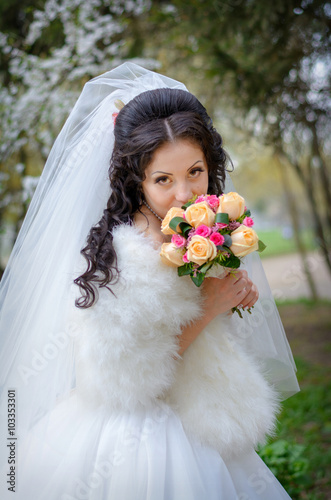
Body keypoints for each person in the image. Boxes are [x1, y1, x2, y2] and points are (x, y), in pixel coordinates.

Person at [0, 63, 299, 499]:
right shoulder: (122, 255)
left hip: (201, 410)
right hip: (141, 437)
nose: (185, 193)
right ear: (135, 181)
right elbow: (119, 377)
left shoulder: (191, 231)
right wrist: (211, 306)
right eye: (163, 180)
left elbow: (191, 324)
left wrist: (230, 296)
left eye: (195, 172)